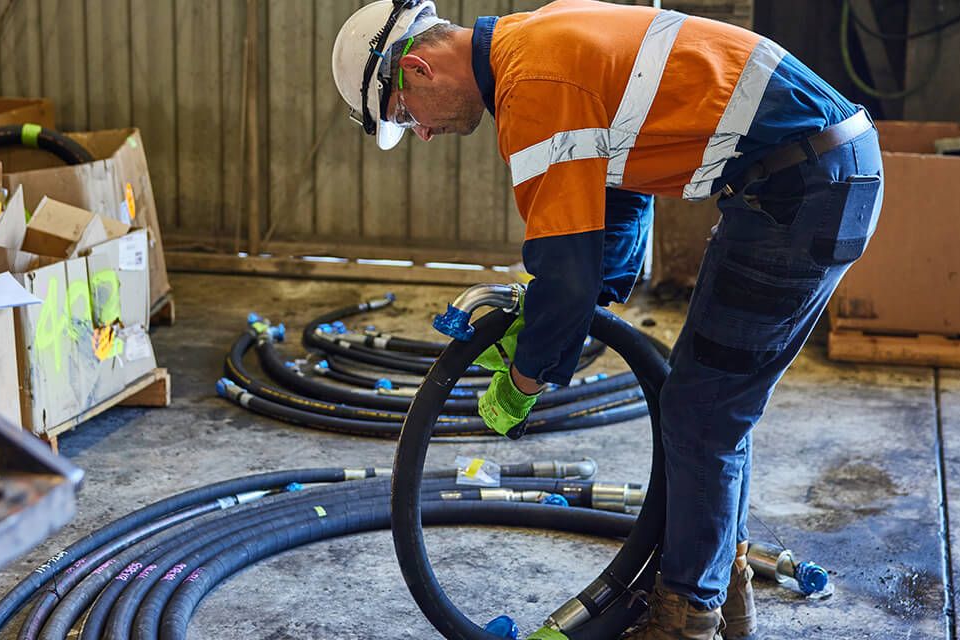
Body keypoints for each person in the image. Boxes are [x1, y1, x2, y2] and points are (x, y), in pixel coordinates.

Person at [332, 1, 883, 638]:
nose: (421, 134)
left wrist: (527, 376)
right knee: (711, 404)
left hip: (805, 186)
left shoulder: (532, 85)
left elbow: (564, 264)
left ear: (420, 69)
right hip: (805, 177)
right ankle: (719, 591)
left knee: (705, 411)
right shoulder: (532, 41)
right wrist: (586, 304)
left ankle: (685, 616)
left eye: (406, 116)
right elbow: (622, 186)